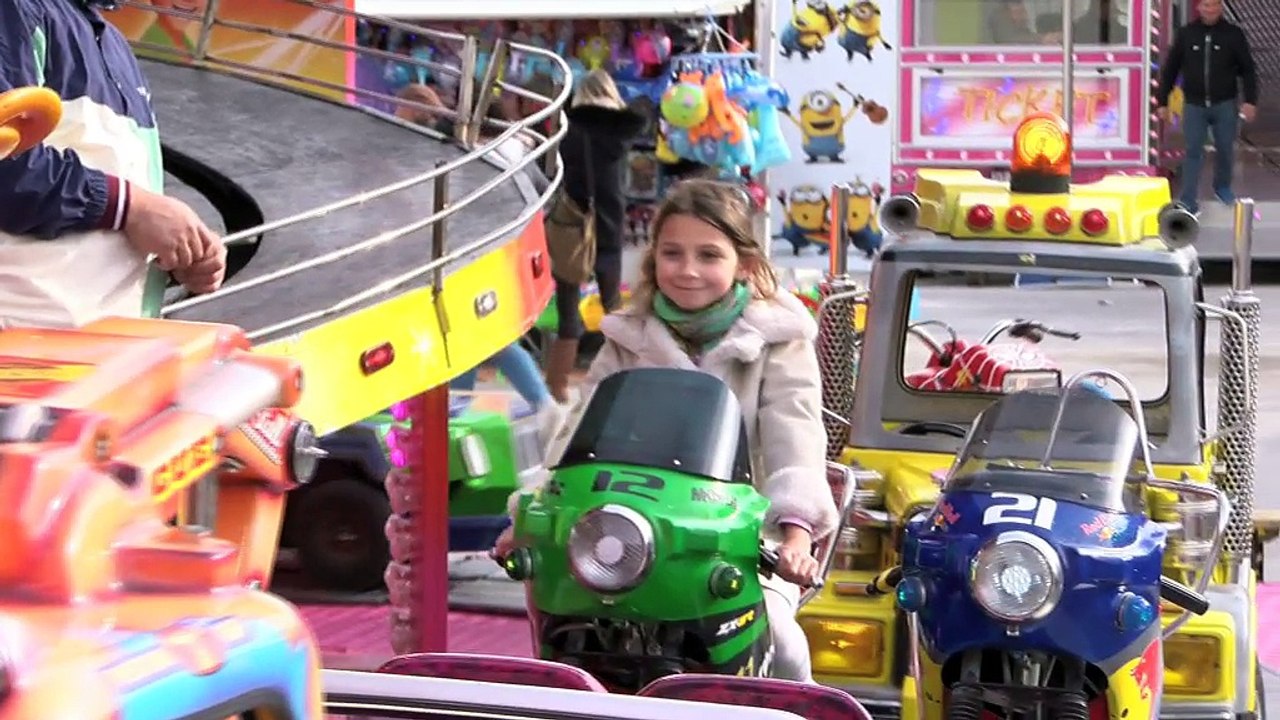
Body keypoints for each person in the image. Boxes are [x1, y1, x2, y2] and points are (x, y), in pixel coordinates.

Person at [494, 179, 840, 683]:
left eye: (709, 255)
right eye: (673, 253)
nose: (689, 270)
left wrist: (795, 531)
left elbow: (796, 435)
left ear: (743, 263)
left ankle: (799, 704)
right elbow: (573, 438)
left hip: (736, 538)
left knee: (780, 639)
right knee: (560, 626)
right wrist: (528, 513)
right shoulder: (626, 337)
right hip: (622, 532)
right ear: (654, 258)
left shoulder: (778, 342)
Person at [0, 0, 226, 329]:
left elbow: (120, 179)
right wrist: (130, 207)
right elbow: (7, 164)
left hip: (98, 350)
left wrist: (183, 240)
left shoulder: (113, 43)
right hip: (26, 344)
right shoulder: (16, 8)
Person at [544, 69, 646, 403]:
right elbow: (637, 121)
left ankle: (557, 388)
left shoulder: (569, 130)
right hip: (609, 225)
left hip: (574, 223)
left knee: (568, 308)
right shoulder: (620, 133)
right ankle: (622, 379)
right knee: (614, 306)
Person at [1155, 0, 1259, 214]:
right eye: (1205, 5)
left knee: (1225, 149)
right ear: (1199, 8)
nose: (1209, 10)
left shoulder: (1233, 34)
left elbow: (1248, 69)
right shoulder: (1186, 34)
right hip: (1194, 104)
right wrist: (1163, 101)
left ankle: (1222, 188)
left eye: (1213, 5)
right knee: (1193, 151)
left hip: (1225, 104)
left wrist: (1250, 101)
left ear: (1220, 7)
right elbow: (1171, 69)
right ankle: (1189, 201)